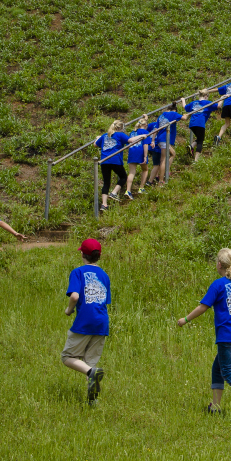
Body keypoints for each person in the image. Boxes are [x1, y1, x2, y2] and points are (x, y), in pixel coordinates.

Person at [177, 248, 231, 420]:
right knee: (217, 368)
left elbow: (203, 306)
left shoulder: (218, 284)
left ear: (219, 264)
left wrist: (185, 319)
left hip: (227, 335)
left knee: (228, 371)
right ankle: (215, 407)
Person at [64, 238, 112, 403]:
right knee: (90, 362)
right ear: (98, 256)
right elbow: (104, 301)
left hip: (84, 321)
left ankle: (92, 373)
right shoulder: (105, 276)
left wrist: (69, 310)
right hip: (102, 322)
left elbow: (75, 296)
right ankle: (93, 401)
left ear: (83, 254)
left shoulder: (77, 272)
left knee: (67, 357)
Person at [95, 120, 129, 211]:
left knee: (106, 182)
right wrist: (142, 135)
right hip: (115, 160)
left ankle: (104, 205)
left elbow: (95, 144)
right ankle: (114, 193)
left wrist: (98, 138)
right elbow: (130, 140)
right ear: (120, 128)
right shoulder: (120, 134)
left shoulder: (105, 135)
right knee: (123, 177)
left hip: (104, 161)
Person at [184, 90, 218, 161]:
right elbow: (219, 106)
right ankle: (196, 160)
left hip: (192, 124)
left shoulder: (194, 103)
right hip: (200, 123)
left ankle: (192, 146)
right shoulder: (207, 103)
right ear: (206, 96)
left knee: (200, 138)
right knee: (200, 141)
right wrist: (223, 97)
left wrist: (183, 100)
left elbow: (185, 108)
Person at [157, 100, 184, 180]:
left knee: (172, 153)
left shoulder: (161, 116)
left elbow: (156, 127)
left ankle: (166, 171)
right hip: (165, 139)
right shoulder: (173, 113)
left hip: (160, 139)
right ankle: (161, 180)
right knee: (163, 159)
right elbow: (184, 118)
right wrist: (186, 114)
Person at [123, 121, 151, 197]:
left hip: (132, 151)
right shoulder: (145, 132)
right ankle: (141, 188)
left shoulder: (132, 132)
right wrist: (145, 156)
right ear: (145, 125)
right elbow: (145, 144)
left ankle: (128, 190)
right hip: (140, 151)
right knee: (145, 169)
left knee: (131, 172)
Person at [213, 78, 231, 145]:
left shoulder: (227, 85)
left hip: (226, 105)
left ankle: (219, 136)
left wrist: (207, 91)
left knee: (227, 124)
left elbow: (217, 89)